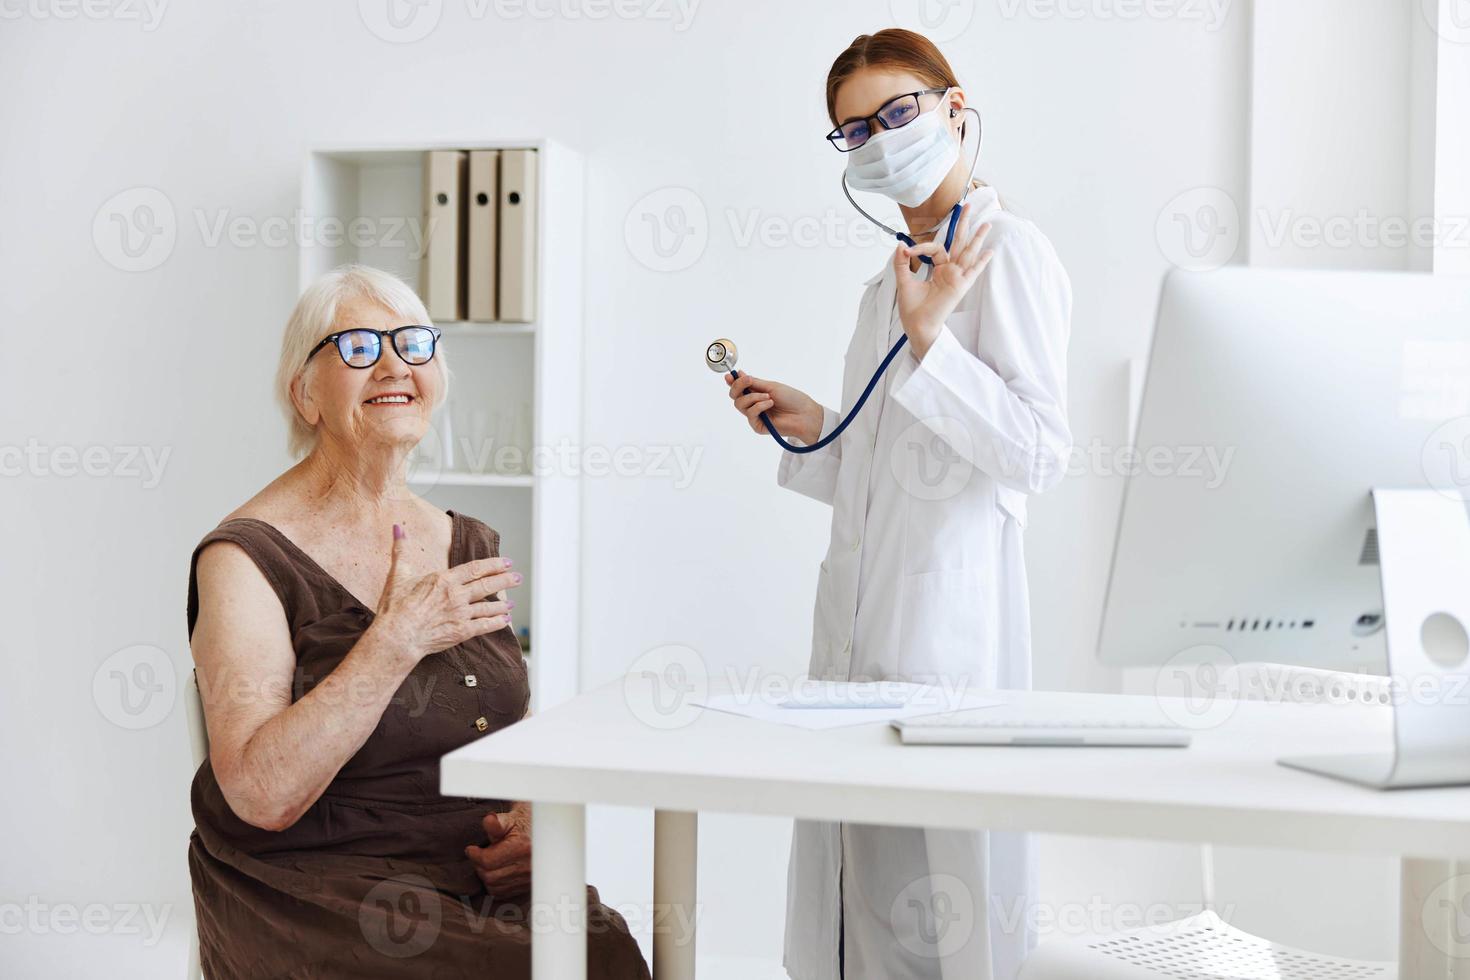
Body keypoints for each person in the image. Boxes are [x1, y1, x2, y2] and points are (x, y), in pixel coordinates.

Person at [186, 264, 649, 978]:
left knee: (603, 948)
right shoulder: (241, 558)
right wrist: (393, 642)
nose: (394, 365)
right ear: (304, 394)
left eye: (413, 344)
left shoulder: (468, 540)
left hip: (469, 869)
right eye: (360, 348)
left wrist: (529, 818)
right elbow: (260, 793)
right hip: (315, 879)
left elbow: (497, 718)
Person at [724, 28, 1072, 980]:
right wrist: (816, 425)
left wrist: (931, 344)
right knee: (854, 919)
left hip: (947, 649)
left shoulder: (1013, 255)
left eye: (896, 113)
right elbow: (898, 475)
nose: (877, 139)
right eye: (853, 131)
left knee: (941, 925)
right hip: (855, 650)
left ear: (956, 106)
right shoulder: (893, 278)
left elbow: (1036, 453)